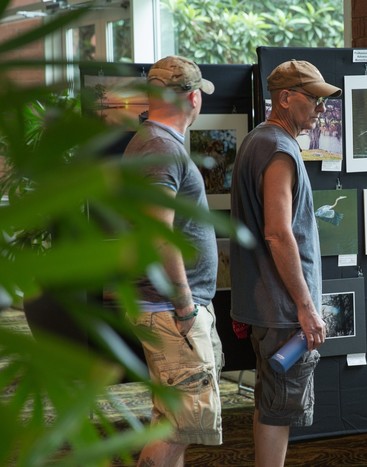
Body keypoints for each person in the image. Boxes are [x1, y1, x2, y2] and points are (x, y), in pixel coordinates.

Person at [230, 59, 341, 467]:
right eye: (313, 99)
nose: (320, 108)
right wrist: (306, 307)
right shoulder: (278, 148)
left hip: (267, 305)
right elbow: (278, 233)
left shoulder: (256, 141)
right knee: (279, 411)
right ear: (285, 98)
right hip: (281, 310)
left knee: (270, 404)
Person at [123, 55, 223, 467]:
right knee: (182, 424)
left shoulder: (153, 142)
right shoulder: (161, 147)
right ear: (193, 98)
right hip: (169, 309)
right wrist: (184, 306)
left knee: (171, 421)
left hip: (164, 305)